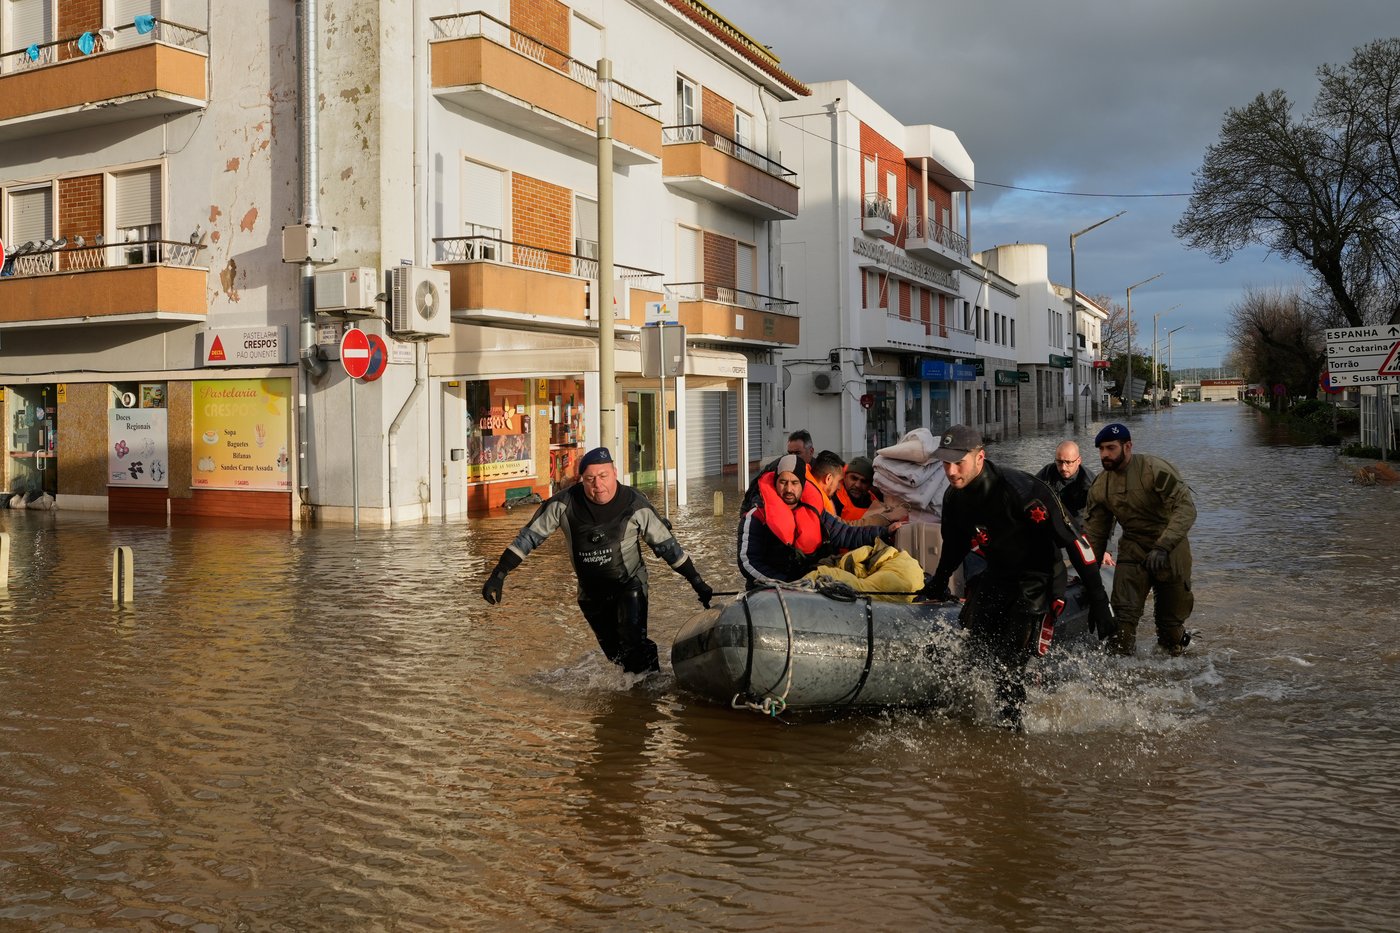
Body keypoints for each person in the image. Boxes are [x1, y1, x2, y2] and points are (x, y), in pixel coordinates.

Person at [922, 425, 1113, 730]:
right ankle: (973, 720)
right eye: (945, 463)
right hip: (998, 572)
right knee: (974, 645)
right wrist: (937, 581)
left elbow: (1076, 543)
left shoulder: (1022, 491)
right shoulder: (955, 499)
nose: (951, 471)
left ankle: (1013, 729)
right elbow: (955, 547)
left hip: (1038, 576)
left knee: (1010, 661)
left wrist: (1100, 601)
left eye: (959, 462)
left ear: (980, 458)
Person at [480, 447, 714, 674]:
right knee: (616, 656)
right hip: (591, 593)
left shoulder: (635, 504)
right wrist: (498, 575)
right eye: (590, 478)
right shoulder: (563, 504)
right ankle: (641, 687)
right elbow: (527, 539)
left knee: (633, 643)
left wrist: (697, 583)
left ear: (614, 473)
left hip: (629, 583)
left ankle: (648, 696)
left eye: (603, 476)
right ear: (581, 479)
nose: (598, 485)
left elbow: (668, 548)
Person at [1083, 423, 1197, 656]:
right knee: (1121, 625)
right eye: (1101, 449)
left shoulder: (1153, 470)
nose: (1105, 454)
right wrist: (1089, 576)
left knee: (1169, 630)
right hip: (1133, 550)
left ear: (1128, 446)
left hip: (1170, 547)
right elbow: (1096, 534)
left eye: (1111, 448)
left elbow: (1185, 509)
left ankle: (1178, 656)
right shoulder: (1101, 486)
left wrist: (1163, 546)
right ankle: (1124, 679)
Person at [738, 454, 901, 587]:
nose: (789, 489)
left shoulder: (815, 512)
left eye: (794, 483)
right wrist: (784, 584)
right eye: (783, 482)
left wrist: (885, 531)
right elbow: (748, 562)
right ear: (775, 482)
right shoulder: (756, 516)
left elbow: (847, 533)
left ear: (802, 484)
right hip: (770, 590)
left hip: (805, 586)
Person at [1035, 440, 1095, 522]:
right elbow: (1030, 491)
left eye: (1068, 462)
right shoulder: (1048, 471)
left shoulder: (1089, 483)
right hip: (1051, 521)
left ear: (1078, 461)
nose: (1063, 468)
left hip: (1078, 527)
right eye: (1059, 462)